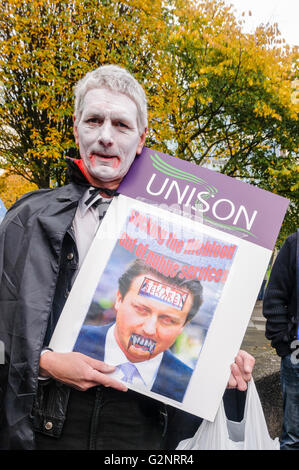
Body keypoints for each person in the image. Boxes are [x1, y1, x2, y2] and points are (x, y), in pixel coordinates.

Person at [0, 65, 255, 450]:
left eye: (120, 125)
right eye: (94, 120)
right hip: (47, 426)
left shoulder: (185, 226)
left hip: (144, 428)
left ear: (141, 139)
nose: (105, 136)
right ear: (76, 127)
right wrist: (46, 363)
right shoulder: (27, 218)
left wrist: (221, 361)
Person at [74, 259, 204, 402]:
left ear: (183, 326)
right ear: (119, 299)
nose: (149, 330)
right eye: (141, 310)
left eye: (167, 320)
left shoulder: (191, 388)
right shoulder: (69, 341)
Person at [263, 229, 299, 450]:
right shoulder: (295, 244)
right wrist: (283, 343)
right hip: (296, 355)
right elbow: (275, 295)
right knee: (293, 438)